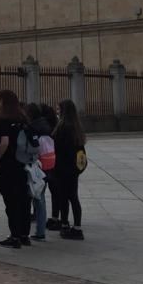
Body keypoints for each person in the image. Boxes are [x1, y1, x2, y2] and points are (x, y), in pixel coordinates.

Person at [0, 89, 31, 248]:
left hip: (9, 164)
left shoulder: (3, 119)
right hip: (23, 163)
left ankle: (14, 236)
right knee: (24, 199)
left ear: (4, 101)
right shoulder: (23, 118)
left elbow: (4, 142)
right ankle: (25, 234)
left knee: (11, 200)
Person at [53, 99, 86, 240]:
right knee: (73, 197)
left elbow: (58, 148)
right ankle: (76, 226)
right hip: (74, 168)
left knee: (63, 197)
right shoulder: (76, 126)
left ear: (64, 111)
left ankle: (66, 224)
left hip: (62, 167)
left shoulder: (63, 127)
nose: (57, 112)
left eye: (59, 109)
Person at [26, 103, 51, 240]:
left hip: (36, 166)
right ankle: (41, 230)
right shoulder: (46, 125)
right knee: (41, 198)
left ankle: (36, 232)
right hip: (47, 165)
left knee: (35, 198)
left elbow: (32, 148)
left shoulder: (33, 128)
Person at [41, 104, 63, 230]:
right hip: (56, 162)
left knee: (42, 190)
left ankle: (54, 218)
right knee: (56, 191)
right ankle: (56, 216)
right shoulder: (56, 126)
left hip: (47, 162)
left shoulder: (44, 128)